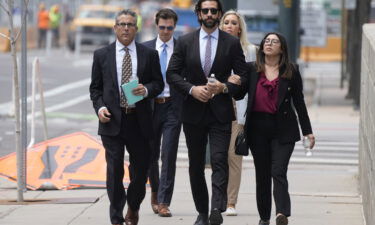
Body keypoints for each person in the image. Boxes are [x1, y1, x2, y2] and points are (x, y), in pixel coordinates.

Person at [166, 1, 248, 225]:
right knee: (195, 165)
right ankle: (202, 211)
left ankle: (215, 209)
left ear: (219, 14)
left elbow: (243, 75)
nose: (209, 14)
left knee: (220, 160)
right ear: (198, 14)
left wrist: (224, 87)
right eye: (205, 11)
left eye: (213, 11)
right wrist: (192, 90)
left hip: (220, 112)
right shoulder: (184, 42)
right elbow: (172, 74)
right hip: (193, 112)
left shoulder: (230, 43)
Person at [229, 32, 315, 225]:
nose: (269, 44)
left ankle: (281, 213)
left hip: (283, 128)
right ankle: (264, 217)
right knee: (263, 175)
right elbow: (239, 94)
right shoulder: (252, 69)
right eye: (266, 41)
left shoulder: (291, 70)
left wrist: (307, 130)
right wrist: (232, 84)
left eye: (274, 42)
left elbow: (299, 103)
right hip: (257, 129)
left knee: (278, 170)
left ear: (281, 48)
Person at [89, 9, 164, 225]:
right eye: (121, 24)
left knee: (140, 172)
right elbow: (95, 89)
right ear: (115, 28)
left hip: (139, 121)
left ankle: (133, 205)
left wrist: (147, 89)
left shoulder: (149, 54)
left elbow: (158, 84)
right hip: (112, 120)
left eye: (130, 24)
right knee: (114, 171)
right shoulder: (101, 55)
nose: (125, 28)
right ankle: (116, 218)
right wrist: (100, 108)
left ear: (136, 29)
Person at [141, 8, 182, 217]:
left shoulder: (182, 48)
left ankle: (164, 201)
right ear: (156, 26)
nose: (166, 31)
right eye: (162, 27)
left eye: (170, 28)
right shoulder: (145, 48)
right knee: (150, 155)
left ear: (174, 27)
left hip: (173, 107)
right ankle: (155, 191)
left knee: (169, 154)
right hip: (150, 107)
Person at [219, 10, 257, 217]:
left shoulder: (251, 51)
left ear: (240, 27)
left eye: (234, 23)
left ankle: (231, 202)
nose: (230, 26)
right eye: (226, 22)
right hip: (217, 111)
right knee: (218, 158)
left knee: (233, 157)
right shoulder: (214, 47)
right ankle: (219, 200)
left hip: (238, 111)